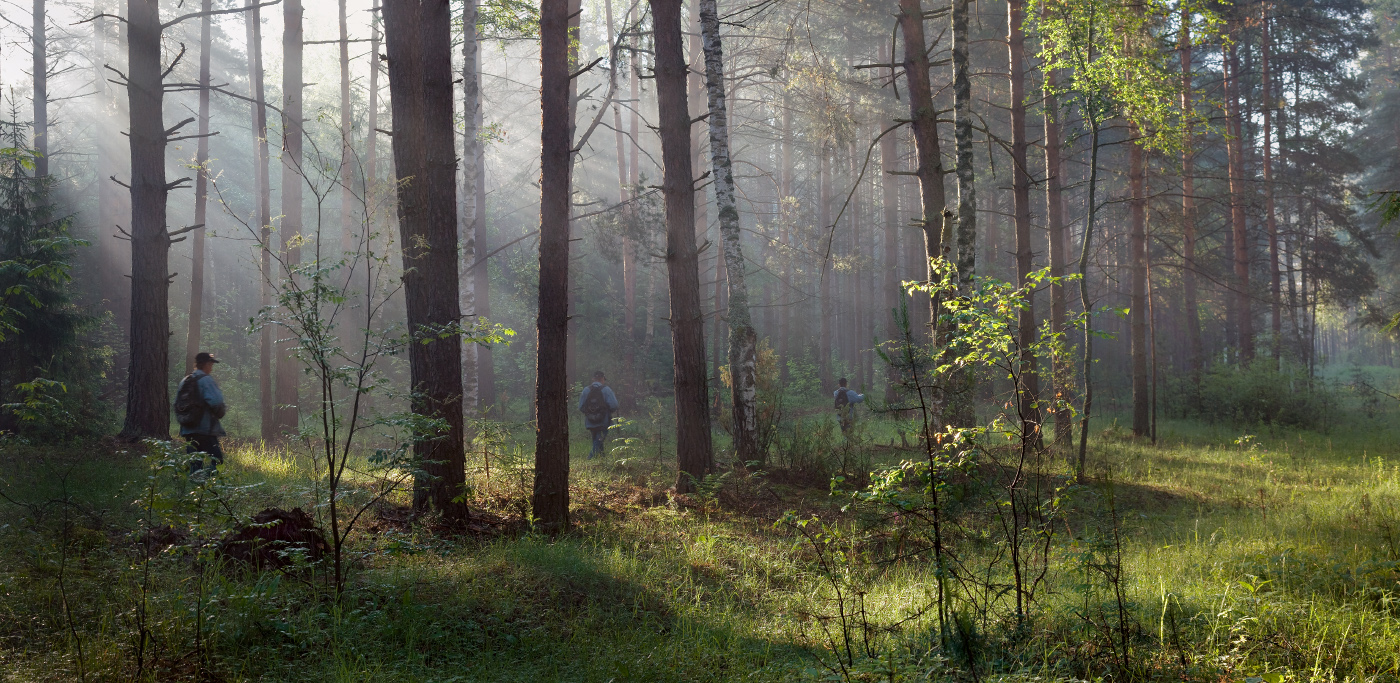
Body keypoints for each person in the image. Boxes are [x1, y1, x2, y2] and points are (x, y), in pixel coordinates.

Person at [178, 352, 228, 474]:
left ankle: (196, 483)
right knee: (217, 460)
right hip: (205, 430)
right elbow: (216, 402)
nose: (211, 367)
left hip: (188, 429)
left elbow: (177, 404)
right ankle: (210, 482)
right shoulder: (206, 380)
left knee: (195, 462)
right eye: (211, 364)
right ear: (206, 364)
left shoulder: (185, 380)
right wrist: (220, 412)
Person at [578, 370, 619, 458]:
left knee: (597, 439)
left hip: (590, 421)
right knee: (598, 440)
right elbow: (614, 405)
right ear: (602, 379)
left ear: (593, 379)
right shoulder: (606, 390)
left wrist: (589, 414)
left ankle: (602, 458)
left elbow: (581, 407)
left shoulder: (586, 390)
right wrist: (606, 412)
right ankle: (590, 458)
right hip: (603, 421)